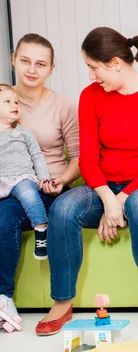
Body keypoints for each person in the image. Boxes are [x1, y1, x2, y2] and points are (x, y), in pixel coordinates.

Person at [35, 27, 138, 336]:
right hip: (103, 188)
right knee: (63, 207)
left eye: (93, 67)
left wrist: (121, 200)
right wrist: (107, 198)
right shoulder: (90, 97)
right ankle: (62, 302)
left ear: (116, 63)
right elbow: (88, 159)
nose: (90, 76)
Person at [0, 34, 79, 327]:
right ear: (13, 59)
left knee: (5, 215)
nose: (32, 69)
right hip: (6, 185)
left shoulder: (63, 106)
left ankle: (3, 297)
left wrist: (61, 180)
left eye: (40, 64)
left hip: (46, 187)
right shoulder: (2, 100)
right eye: (25, 61)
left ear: (51, 69)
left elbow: (79, 157)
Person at [0, 84, 50, 260]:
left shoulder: (24, 133)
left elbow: (37, 156)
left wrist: (44, 177)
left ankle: (41, 230)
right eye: (7, 101)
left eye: (16, 102)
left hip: (23, 177)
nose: (14, 105)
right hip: (2, 180)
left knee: (30, 195)